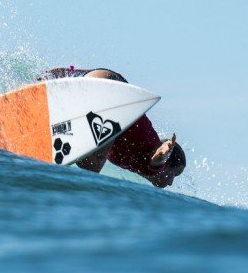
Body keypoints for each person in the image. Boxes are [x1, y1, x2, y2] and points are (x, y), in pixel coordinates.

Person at [38, 67, 186, 188]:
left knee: (89, 157)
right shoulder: (151, 164)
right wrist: (164, 153)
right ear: (167, 165)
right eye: (174, 174)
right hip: (113, 92)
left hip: (95, 79)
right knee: (92, 164)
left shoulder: (143, 148)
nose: (171, 182)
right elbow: (157, 158)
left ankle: (55, 81)